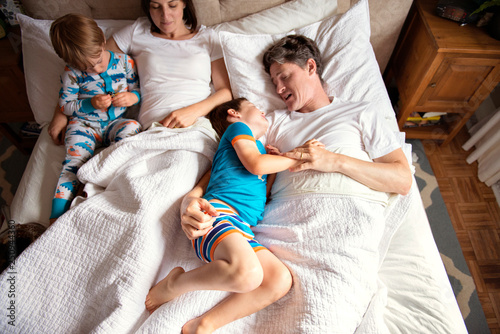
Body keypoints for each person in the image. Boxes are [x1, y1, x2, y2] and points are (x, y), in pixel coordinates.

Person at [180, 34, 412, 240]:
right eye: (274, 82)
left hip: (347, 221)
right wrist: (191, 198)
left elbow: (401, 180)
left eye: (284, 77)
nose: (279, 89)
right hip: (283, 227)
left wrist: (335, 161)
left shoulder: (360, 112)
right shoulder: (269, 122)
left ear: (310, 67)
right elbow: (232, 160)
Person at [145, 97, 324, 333]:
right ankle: (175, 283)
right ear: (234, 113)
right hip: (219, 215)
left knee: (279, 280)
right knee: (248, 274)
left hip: (244, 228)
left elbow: (260, 187)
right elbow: (255, 165)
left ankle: (203, 325)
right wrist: (299, 155)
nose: (262, 110)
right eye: (255, 107)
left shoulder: (257, 149)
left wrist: (273, 164)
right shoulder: (237, 129)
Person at [48, 13, 142, 220]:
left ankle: (103, 185)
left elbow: (137, 89)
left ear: (102, 41)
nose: (96, 69)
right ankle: (56, 215)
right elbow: (65, 106)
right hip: (84, 126)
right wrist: (91, 103)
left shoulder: (125, 62)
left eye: (98, 61)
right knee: (72, 164)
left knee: (132, 128)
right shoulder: (71, 73)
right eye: (87, 67)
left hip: (115, 123)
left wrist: (131, 97)